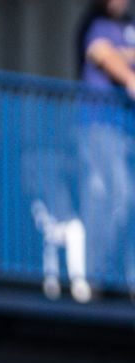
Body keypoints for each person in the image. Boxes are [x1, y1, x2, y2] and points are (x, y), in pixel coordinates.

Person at [76, 0, 135, 298]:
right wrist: (128, 76)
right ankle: (97, 277)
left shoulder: (129, 27)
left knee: (130, 201)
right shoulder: (96, 25)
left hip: (129, 129)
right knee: (112, 196)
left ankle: (128, 277)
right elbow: (101, 54)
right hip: (101, 125)